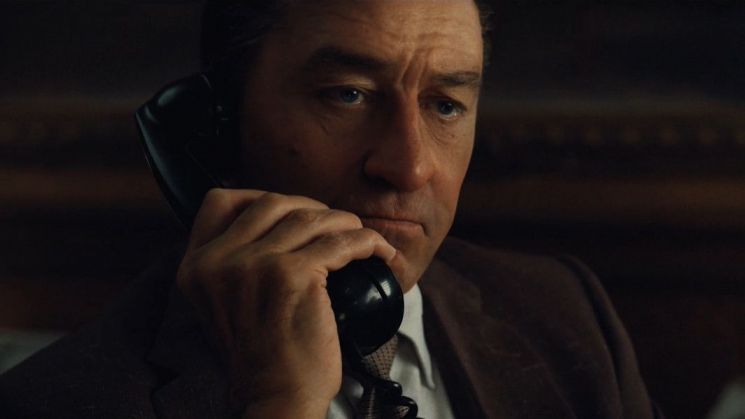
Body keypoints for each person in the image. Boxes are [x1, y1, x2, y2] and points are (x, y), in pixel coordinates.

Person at [0, 1, 661, 418]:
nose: (409, 166)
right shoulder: (58, 402)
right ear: (219, 126)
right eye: (347, 94)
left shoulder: (568, 318)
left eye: (445, 104)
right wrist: (280, 403)